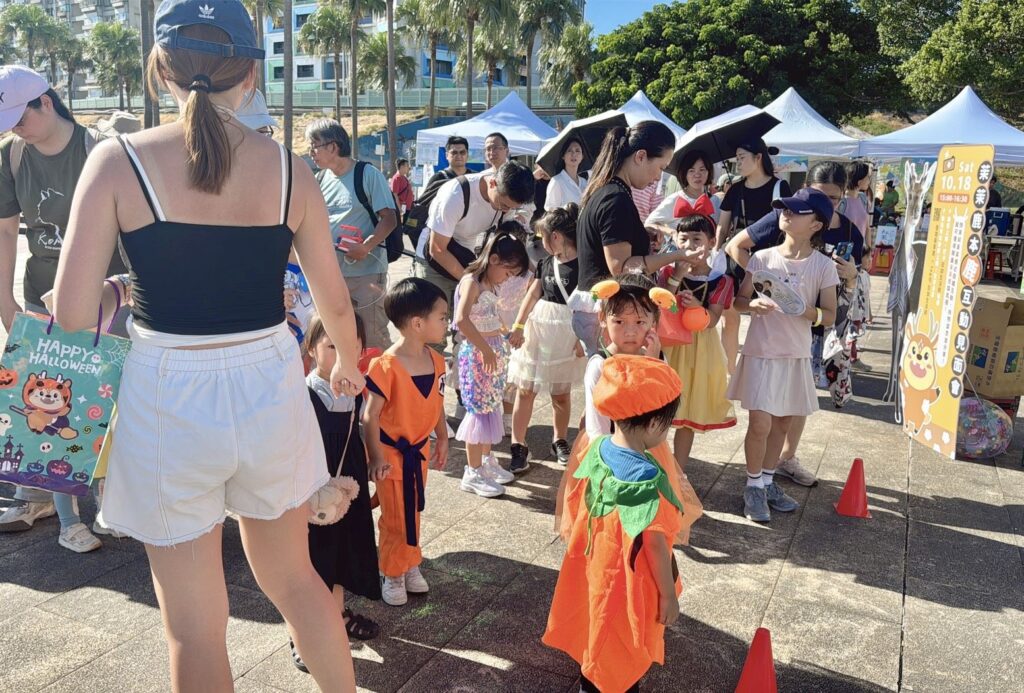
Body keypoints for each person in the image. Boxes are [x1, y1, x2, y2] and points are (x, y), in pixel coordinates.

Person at [51, 2, 364, 688]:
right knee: (295, 581)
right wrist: (345, 359)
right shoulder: (290, 169)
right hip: (269, 381)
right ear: (249, 75)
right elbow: (335, 301)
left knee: (194, 624)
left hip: (166, 389)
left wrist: (115, 292)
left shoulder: (117, 161)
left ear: (161, 69)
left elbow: (72, 315)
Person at [0, 65, 130, 547]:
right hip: (43, 297)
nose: (16, 126)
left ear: (47, 103)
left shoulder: (100, 150)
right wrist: (5, 303)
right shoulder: (12, 155)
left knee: (111, 403)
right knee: (50, 402)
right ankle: (65, 517)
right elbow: (5, 232)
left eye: (20, 115)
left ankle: (108, 502)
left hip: (108, 300)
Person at [544, 355, 688, 693]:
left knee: (595, 628)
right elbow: (654, 544)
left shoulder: (598, 452)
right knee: (621, 649)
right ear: (654, 425)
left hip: (598, 568)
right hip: (627, 578)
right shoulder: (647, 479)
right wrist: (668, 596)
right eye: (667, 423)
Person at [727, 188, 839, 523]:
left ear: (816, 225)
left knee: (783, 422)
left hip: (795, 355)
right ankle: (753, 486)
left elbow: (830, 315)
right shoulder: (762, 258)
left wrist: (807, 312)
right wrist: (753, 305)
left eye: (796, 211)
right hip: (761, 352)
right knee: (760, 423)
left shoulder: (823, 266)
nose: (785, 213)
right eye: (784, 209)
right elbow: (739, 301)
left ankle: (768, 480)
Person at [299, 312, 381, 670]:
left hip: (347, 483)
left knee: (344, 549)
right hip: (313, 487)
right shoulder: (303, 394)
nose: (342, 354)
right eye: (332, 346)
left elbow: (363, 430)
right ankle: (301, 634)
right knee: (312, 558)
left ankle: (339, 615)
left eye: (351, 347)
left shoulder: (355, 392)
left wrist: (375, 461)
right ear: (312, 350)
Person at [571, 122, 694, 357]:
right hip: (610, 312)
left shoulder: (604, 191)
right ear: (640, 156)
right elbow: (622, 268)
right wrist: (676, 255)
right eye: (661, 167)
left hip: (597, 308)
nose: (658, 177)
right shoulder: (616, 199)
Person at [363, 277, 450, 607]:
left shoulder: (436, 360)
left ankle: (410, 562)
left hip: (420, 452)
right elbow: (369, 417)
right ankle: (392, 571)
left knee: (411, 510)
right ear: (418, 323)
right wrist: (374, 458)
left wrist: (441, 436)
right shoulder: (385, 366)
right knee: (395, 515)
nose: (446, 322)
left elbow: (438, 402)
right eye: (441, 316)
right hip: (391, 455)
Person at [307, 119, 397, 350]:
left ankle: (377, 385)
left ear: (333, 147)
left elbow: (390, 218)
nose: (311, 152)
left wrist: (366, 247)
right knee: (334, 340)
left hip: (367, 275)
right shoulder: (319, 179)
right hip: (333, 275)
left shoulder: (367, 174)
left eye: (314, 145)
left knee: (372, 337)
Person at [507, 205, 585, 471]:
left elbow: (591, 302)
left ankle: (559, 440)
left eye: (543, 237)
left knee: (560, 393)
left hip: (569, 331)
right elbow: (532, 295)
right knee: (526, 389)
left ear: (556, 237)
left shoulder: (585, 263)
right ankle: (518, 445)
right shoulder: (545, 263)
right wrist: (518, 325)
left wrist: (583, 337)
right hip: (538, 329)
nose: (540, 243)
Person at [453, 232, 529, 497]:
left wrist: (505, 333)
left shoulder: (488, 285)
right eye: (507, 272)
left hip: (491, 353)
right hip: (477, 355)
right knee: (478, 411)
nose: (507, 278)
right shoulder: (471, 282)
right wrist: (486, 349)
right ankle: (472, 471)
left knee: (490, 407)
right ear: (493, 259)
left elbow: (487, 316)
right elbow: (462, 320)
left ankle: (485, 462)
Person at [659, 214, 736, 474]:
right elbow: (661, 303)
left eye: (697, 239)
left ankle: (677, 472)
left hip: (700, 350)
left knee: (687, 412)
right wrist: (676, 276)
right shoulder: (668, 270)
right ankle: (653, 465)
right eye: (684, 240)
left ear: (712, 242)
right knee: (659, 408)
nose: (690, 246)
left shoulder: (721, 280)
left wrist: (696, 308)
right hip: (668, 345)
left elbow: (714, 320)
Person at [715, 139, 791, 376]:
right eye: (736, 159)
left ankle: (766, 367)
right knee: (730, 318)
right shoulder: (735, 189)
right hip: (735, 259)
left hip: (770, 261)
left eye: (741, 157)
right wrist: (716, 250)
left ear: (758, 158)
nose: (737, 163)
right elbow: (723, 225)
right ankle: (731, 371)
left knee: (768, 316)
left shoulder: (780, 187)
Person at [645, 149, 722, 228]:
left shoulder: (716, 201)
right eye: (691, 171)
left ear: (709, 172)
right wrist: (671, 233)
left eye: (702, 170)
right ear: (685, 173)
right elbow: (649, 223)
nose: (697, 175)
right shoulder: (675, 199)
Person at [544, 137, 588, 211]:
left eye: (577, 151)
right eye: (569, 150)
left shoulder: (585, 182)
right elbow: (550, 209)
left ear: (582, 156)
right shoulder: (557, 181)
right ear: (563, 156)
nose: (574, 154)